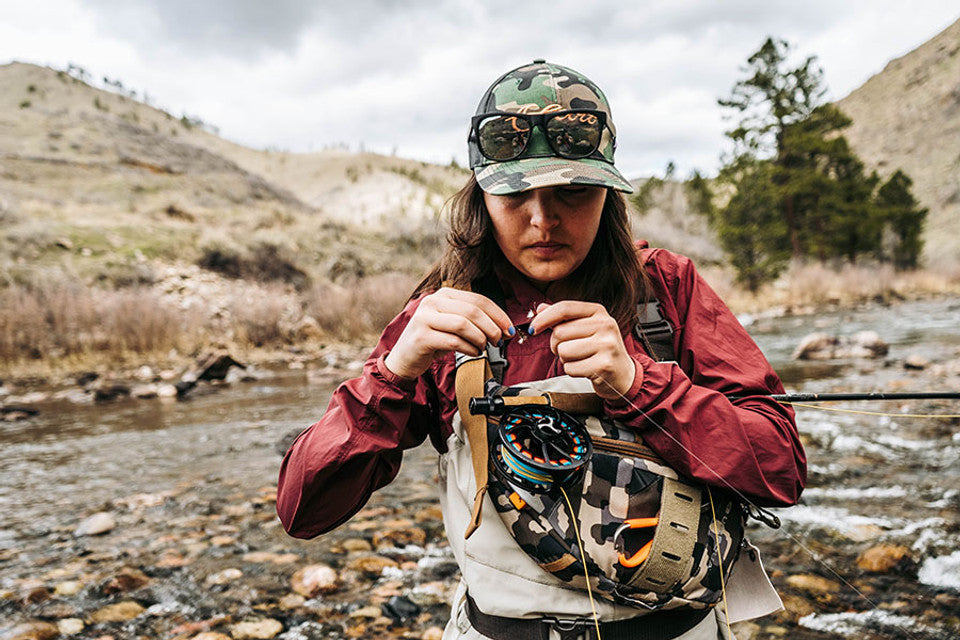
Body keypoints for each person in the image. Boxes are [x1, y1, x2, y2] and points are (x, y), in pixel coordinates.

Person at [277, 60, 806, 640]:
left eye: (572, 191)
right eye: (515, 193)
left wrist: (639, 386)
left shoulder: (666, 289)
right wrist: (395, 371)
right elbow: (304, 512)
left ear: (607, 192)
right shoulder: (440, 317)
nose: (542, 218)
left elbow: (780, 468)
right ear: (481, 195)